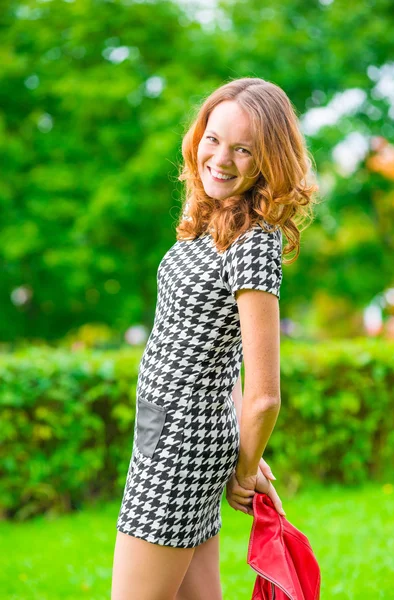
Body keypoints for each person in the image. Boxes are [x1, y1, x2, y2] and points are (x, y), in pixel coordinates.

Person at [111, 76, 318, 600]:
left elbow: (265, 394)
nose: (221, 158)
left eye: (243, 149)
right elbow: (218, 357)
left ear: (267, 161)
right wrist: (232, 446)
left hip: (180, 448)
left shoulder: (251, 242)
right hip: (163, 435)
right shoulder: (211, 224)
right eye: (213, 138)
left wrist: (244, 470)